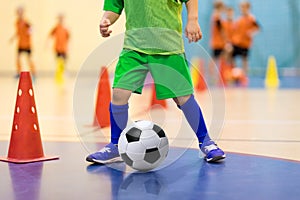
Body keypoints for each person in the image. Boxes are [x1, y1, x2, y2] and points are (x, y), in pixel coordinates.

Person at [86, 0, 226, 164]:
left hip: (168, 46)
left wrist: (193, 20)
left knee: (183, 97)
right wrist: (106, 19)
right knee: (119, 93)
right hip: (134, 47)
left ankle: (206, 142)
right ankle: (115, 145)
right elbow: (115, 5)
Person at [231, 1, 260, 77]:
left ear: (248, 8)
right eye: (241, 7)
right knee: (232, 56)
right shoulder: (239, 19)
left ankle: (244, 76)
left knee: (244, 60)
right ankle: (234, 74)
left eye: (244, 7)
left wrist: (251, 32)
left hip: (245, 43)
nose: (242, 9)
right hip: (237, 42)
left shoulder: (251, 18)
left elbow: (257, 28)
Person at [10, 6, 36, 78]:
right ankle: (18, 72)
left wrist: (29, 32)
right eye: (18, 12)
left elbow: (32, 28)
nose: (19, 14)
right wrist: (13, 38)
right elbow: (18, 32)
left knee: (29, 59)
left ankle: (33, 73)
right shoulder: (17, 22)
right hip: (20, 44)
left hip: (27, 44)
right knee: (17, 58)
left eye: (21, 12)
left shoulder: (26, 22)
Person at [48, 14, 70, 81]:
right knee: (58, 61)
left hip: (64, 48)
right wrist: (47, 44)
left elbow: (68, 38)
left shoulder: (65, 28)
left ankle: (64, 72)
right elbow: (50, 35)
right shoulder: (56, 28)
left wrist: (68, 47)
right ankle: (59, 73)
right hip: (57, 48)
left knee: (64, 61)